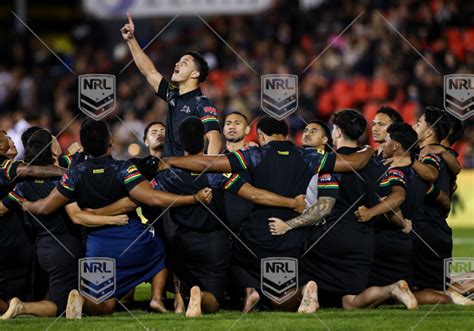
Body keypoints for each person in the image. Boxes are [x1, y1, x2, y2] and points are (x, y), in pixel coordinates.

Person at [162, 115, 374, 312]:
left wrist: (171, 161)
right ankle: (302, 292)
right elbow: (355, 164)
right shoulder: (308, 155)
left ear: (261, 136)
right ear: (286, 134)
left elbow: (208, 163)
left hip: (259, 236)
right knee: (280, 296)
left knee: (233, 258)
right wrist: (369, 150)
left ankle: (250, 291)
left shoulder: (255, 154)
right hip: (293, 235)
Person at [17, 119, 212, 318]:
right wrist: (192, 199)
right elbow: (153, 198)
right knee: (162, 250)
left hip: (97, 247)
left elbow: (45, 207)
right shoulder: (124, 168)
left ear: (83, 146)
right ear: (110, 141)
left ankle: (84, 300)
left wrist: (26, 204)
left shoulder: (74, 174)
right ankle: (157, 297)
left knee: (105, 305)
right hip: (133, 240)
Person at [269, 110, 417, 310]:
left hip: (329, 237)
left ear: (337, 132)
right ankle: (392, 289)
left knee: (281, 295)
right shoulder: (373, 163)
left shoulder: (333, 163)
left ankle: (307, 290)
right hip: (362, 239)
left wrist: (288, 225)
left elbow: (323, 208)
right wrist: (399, 222)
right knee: (351, 302)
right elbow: (393, 198)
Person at [0, 129, 128, 319]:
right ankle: (22, 308)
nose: (58, 142)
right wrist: (113, 219)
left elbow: (3, 208)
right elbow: (77, 216)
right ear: (52, 151)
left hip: (41, 250)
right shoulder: (65, 182)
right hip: (65, 248)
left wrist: (25, 205)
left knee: (66, 293)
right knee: (61, 307)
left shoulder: (22, 186)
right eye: (54, 140)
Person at [121, 13, 222, 156]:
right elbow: (149, 71)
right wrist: (131, 40)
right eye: (178, 61)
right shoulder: (173, 94)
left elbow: (215, 138)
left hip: (189, 174)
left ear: (194, 74)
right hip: (169, 172)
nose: (177, 64)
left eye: (184, 63)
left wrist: (208, 170)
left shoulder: (202, 103)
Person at [411, 107, 472, 305]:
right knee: (436, 284)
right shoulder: (446, 157)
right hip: (438, 228)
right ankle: (460, 289)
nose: (414, 125)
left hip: (422, 227)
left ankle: (453, 295)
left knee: (415, 288)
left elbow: (431, 180)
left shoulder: (430, 155)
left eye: (419, 123)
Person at [0, 130, 65, 313]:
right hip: (11, 240)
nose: (12, 140)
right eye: (6, 138)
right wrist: (71, 175)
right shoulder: (5, 167)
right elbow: (32, 170)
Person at [354, 123, 425, 288]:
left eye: (386, 141)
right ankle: (451, 293)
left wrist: (371, 212)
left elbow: (397, 197)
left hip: (387, 239)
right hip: (408, 241)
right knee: (411, 287)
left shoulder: (392, 171)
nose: (382, 145)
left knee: (369, 292)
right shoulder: (420, 173)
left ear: (396, 145)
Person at [301, 120, 333, 208]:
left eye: (313, 131)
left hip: (316, 218)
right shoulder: (296, 155)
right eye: (305, 131)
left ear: (324, 139)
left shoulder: (330, 164)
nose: (307, 134)